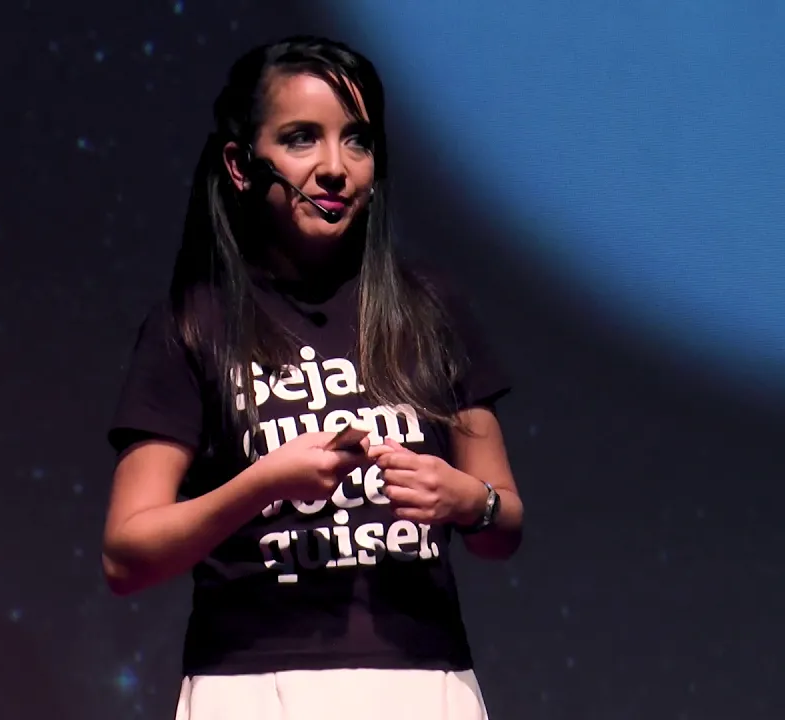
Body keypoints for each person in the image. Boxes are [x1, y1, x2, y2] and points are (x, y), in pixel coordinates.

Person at [101, 35, 524, 720]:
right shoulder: (195, 324)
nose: (334, 168)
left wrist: (465, 500)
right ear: (241, 165)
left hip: (424, 682)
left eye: (357, 141)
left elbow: (504, 526)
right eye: (301, 139)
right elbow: (127, 556)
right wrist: (263, 484)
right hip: (251, 689)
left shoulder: (430, 309)